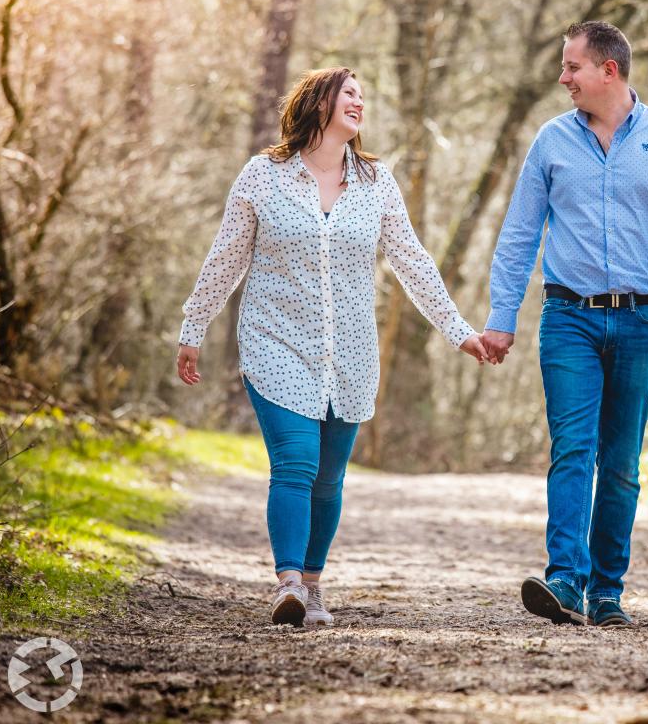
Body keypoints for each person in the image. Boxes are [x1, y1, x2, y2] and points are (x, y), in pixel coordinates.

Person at [175, 67, 488, 627]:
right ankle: (288, 583)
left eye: (362, 95)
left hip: (349, 351)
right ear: (318, 102)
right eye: (348, 93)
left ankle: (313, 587)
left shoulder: (376, 182)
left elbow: (412, 261)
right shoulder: (263, 176)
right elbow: (227, 257)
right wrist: (193, 327)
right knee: (296, 460)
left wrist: (458, 331)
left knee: (328, 477)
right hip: (275, 340)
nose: (358, 102)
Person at [481, 22, 648, 627]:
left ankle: (607, 590)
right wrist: (501, 318)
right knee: (572, 450)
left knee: (619, 462)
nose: (563, 79)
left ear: (608, 71)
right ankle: (565, 579)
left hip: (643, 320)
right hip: (568, 319)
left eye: (572, 68)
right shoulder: (551, 142)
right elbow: (518, 235)